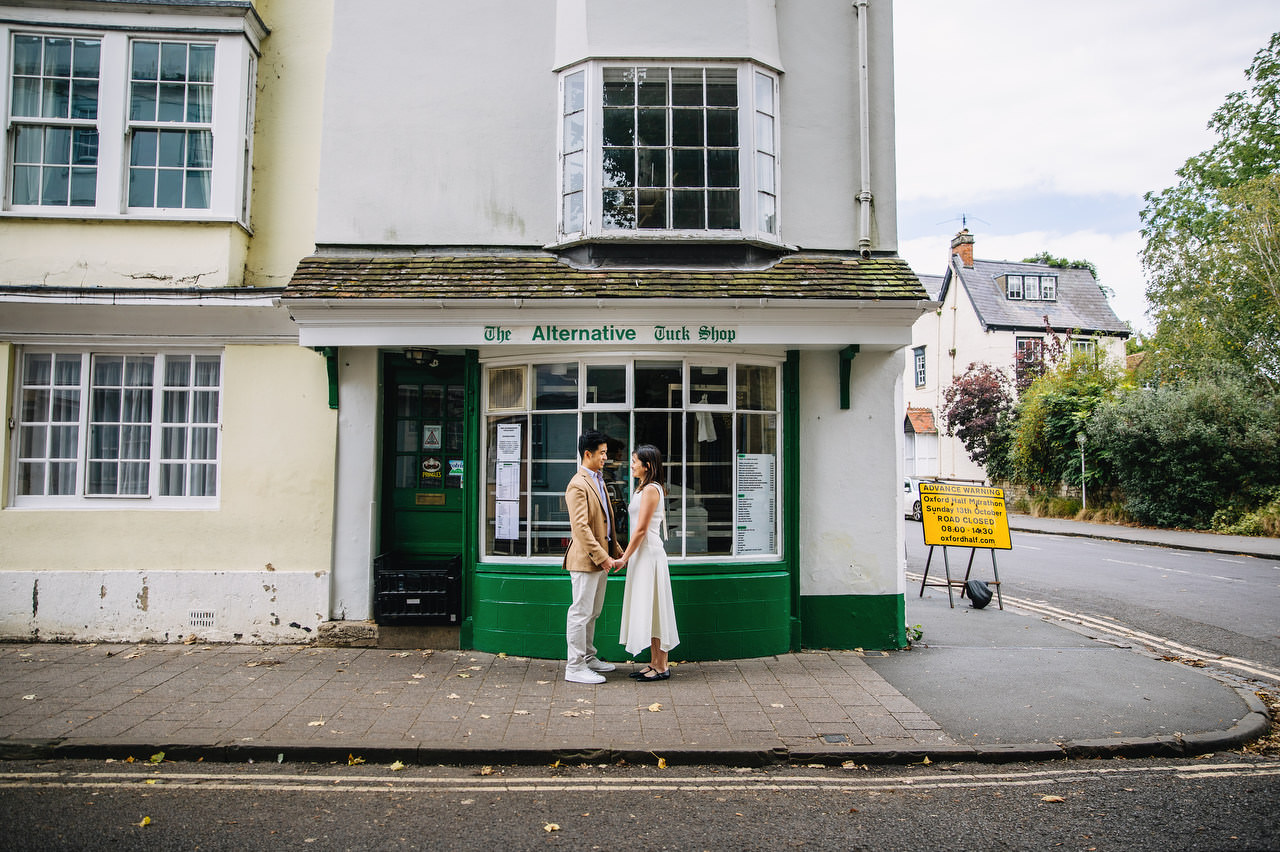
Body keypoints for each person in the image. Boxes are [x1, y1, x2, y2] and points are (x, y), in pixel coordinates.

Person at [562, 429, 624, 684]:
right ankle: (574, 667)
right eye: (602, 453)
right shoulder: (578, 484)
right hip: (586, 560)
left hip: (599, 559)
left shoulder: (598, 479)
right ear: (587, 454)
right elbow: (581, 529)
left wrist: (617, 551)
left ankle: (588, 657)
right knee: (580, 612)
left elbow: (605, 522)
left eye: (606, 453)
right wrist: (602, 556)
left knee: (593, 612)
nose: (605, 458)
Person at [617, 444, 680, 681]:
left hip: (649, 554)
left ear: (648, 466)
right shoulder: (642, 489)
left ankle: (662, 665)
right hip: (642, 555)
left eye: (635, 461)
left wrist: (624, 557)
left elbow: (642, 529)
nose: (631, 465)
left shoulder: (652, 489)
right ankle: (654, 662)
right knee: (650, 607)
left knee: (657, 607)